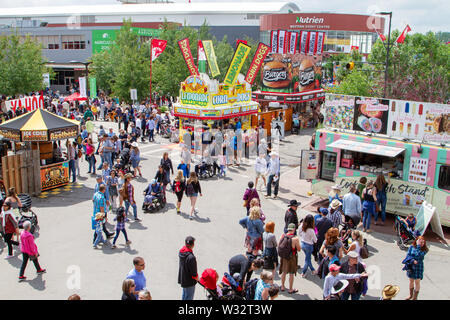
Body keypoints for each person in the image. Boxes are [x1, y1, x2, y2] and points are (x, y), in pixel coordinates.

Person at [279, 223, 301, 294]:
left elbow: (279, 245)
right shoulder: (295, 238)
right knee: (291, 273)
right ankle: (290, 289)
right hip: (292, 257)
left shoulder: (283, 236)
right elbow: (299, 249)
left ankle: (282, 286)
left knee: (284, 272)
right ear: (294, 229)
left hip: (284, 257)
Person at [404, 236, 428, 300]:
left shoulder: (425, 249)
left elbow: (419, 256)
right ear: (417, 241)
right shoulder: (411, 247)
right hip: (411, 266)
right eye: (420, 241)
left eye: (423, 242)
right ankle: (410, 295)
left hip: (418, 267)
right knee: (411, 281)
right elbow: (408, 255)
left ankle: (415, 298)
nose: (422, 243)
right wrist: (412, 260)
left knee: (417, 282)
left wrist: (418, 246)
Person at [178, 236, 198, 300]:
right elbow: (194, 272)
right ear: (193, 245)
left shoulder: (182, 252)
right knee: (189, 297)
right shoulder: (191, 257)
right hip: (189, 282)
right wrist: (197, 278)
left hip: (183, 279)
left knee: (184, 296)